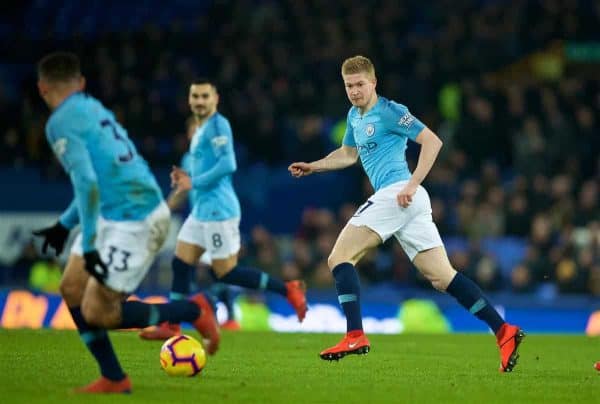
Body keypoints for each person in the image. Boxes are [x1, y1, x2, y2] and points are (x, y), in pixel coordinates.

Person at [288, 55, 524, 372]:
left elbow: (432, 141)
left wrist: (412, 183)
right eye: (349, 86)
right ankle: (503, 330)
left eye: (360, 84)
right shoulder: (354, 117)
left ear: (373, 83)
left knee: (339, 257)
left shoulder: (389, 111)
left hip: (398, 193)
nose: (355, 91)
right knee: (443, 277)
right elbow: (347, 154)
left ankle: (355, 334)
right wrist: (313, 166)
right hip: (405, 201)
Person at [32, 52, 219, 394]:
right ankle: (115, 378)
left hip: (137, 220)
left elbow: (87, 182)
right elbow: (97, 181)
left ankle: (192, 309)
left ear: (42, 88)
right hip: (113, 212)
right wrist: (64, 224)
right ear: (82, 84)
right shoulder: (93, 109)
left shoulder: (59, 123)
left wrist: (87, 245)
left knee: (100, 312)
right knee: (70, 288)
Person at [139, 79, 307, 340]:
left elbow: (228, 164)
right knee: (181, 264)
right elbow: (182, 193)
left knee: (225, 272)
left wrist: (192, 182)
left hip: (219, 212)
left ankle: (288, 290)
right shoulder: (191, 155)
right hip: (201, 213)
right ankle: (171, 324)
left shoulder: (218, 126)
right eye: (194, 96)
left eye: (204, 96)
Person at [140, 117, 240, 337]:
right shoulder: (188, 159)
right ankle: (204, 316)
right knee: (189, 267)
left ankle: (224, 316)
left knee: (214, 269)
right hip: (200, 219)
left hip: (219, 218)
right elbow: (183, 192)